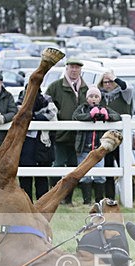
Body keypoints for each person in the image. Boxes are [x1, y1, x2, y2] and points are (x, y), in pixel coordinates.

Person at [46, 57, 88, 206]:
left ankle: (68, 199)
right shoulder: (55, 86)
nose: (74, 70)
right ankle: (54, 197)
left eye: (77, 67)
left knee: (74, 167)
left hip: (78, 137)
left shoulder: (86, 88)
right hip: (60, 135)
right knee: (57, 165)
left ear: (80, 70)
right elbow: (47, 106)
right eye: (72, 67)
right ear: (67, 68)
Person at [72, 86, 121, 205]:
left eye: (96, 96)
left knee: (100, 175)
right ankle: (86, 201)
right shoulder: (83, 108)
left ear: (100, 98)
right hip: (83, 148)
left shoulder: (104, 109)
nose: (93, 99)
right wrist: (90, 115)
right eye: (91, 96)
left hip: (99, 149)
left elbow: (117, 116)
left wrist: (107, 116)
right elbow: (75, 116)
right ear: (87, 98)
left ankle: (98, 201)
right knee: (84, 175)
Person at [16, 83, 57, 201]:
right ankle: (26, 204)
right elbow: (20, 114)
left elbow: (51, 114)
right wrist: (31, 116)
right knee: (25, 177)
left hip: (43, 143)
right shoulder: (20, 101)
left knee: (42, 177)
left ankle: (42, 204)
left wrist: (33, 116)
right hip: (25, 143)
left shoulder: (47, 100)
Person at [99, 70, 133, 200]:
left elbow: (126, 87)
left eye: (111, 81)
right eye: (105, 82)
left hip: (122, 138)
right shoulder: (99, 96)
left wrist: (115, 78)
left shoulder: (124, 94)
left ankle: (129, 197)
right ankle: (110, 198)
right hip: (107, 139)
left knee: (125, 167)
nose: (108, 84)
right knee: (108, 169)